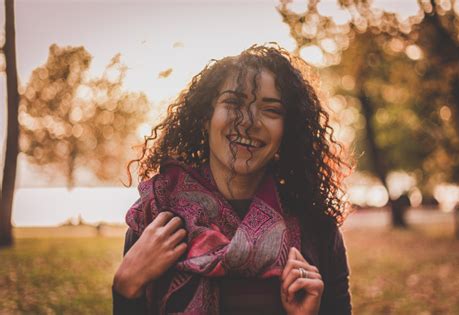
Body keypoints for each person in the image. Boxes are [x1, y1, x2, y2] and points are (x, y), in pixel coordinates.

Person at [112, 44, 352, 315]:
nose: (248, 122)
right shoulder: (157, 218)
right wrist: (125, 288)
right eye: (234, 103)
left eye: (270, 110)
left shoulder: (317, 230)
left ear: (288, 129)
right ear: (206, 117)